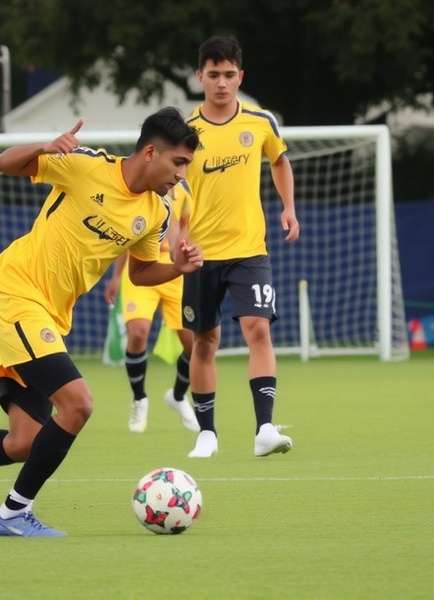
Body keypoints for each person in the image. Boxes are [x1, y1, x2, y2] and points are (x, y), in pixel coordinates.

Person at [0, 108, 203, 537]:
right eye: (179, 163)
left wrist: (177, 267)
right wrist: (44, 147)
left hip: (49, 317)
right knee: (78, 403)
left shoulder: (156, 213)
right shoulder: (86, 166)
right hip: (15, 293)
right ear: (150, 152)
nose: (182, 176)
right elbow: (3, 164)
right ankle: (13, 513)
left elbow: (141, 273)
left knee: (24, 442)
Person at [181, 36, 299, 459]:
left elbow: (280, 160)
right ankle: (207, 433)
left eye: (229, 75)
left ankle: (265, 427)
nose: (221, 83)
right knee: (204, 342)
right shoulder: (185, 131)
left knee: (258, 329)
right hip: (199, 254)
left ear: (240, 77)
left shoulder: (259, 123)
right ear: (200, 77)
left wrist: (288, 207)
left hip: (250, 249)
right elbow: (164, 185)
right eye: (213, 75)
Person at [104, 180, 199, 433]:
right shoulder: (141, 192)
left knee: (195, 345)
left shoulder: (184, 194)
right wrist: (115, 277)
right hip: (141, 267)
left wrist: (186, 255)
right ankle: (139, 398)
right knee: (137, 333)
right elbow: (127, 237)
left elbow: (184, 231)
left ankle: (177, 397)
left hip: (174, 271)